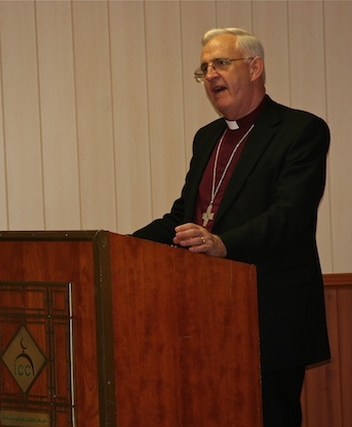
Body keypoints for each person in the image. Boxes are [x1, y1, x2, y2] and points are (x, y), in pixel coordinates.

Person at [132, 27, 331, 426]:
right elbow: (184, 217)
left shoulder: (300, 130)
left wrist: (222, 244)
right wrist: (121, 244)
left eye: (220, 63)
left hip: (270, 311)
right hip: (205, 312)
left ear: (255, 68)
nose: (210, 75)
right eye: (204, 68)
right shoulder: (207, 138)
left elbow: (289, 215)